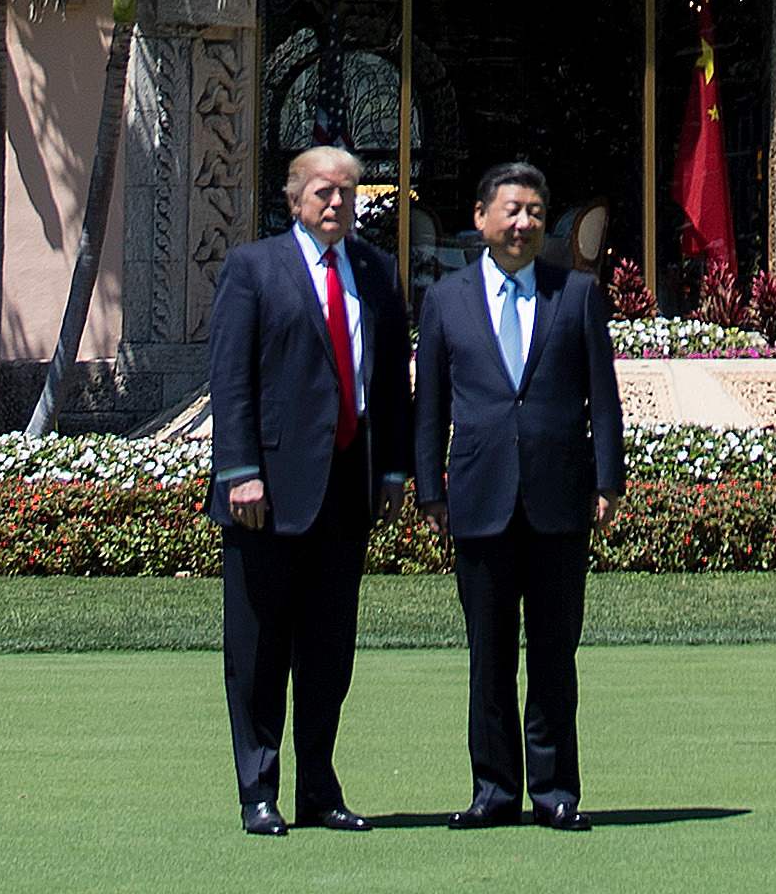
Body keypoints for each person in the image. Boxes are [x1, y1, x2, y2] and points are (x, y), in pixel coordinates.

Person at [204, 143, 411, 837]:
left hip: (346, 492)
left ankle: (319, 789)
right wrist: (240, 472)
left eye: (348, 193)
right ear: (293, 199)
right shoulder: (253, 269)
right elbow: (231, 382)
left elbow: (387, 388)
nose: (336, 203)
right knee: (259, 651)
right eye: (323, 192)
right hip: (265, 494)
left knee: (328, 652)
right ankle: (257, 790)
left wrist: (393, 473)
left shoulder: (378, 274)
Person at [413, 153, 626, 829]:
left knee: (555, 655)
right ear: (480, 219)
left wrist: (608, 480)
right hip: (477, 500)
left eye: (536, 211)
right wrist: (428, 490)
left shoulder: (578, 294)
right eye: (513, 210)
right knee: (489, 656)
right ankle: (494, 790)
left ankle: (557, 791)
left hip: (559, 500)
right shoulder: (445, 300)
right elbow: (431, 407)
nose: (525, 222)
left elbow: (605, 400)